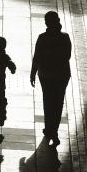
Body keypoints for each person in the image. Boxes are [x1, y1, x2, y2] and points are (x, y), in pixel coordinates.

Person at [30, 11, 71, 146]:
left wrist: (33, 72)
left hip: (46, 75)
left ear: (47, 23)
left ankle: (49, 128)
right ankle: (54, 129)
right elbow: (67, 56)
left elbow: (37, 57)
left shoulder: (42, 38)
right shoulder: (65, 37)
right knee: (58, 103)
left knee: (48, 101)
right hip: (61, 75)